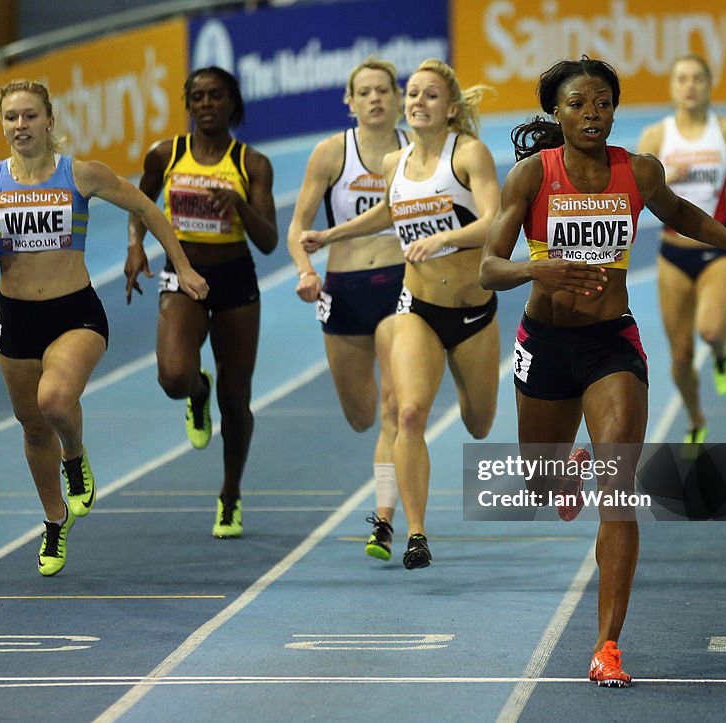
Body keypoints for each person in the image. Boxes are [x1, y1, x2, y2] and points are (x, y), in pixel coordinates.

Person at [480, 56, 726, 687]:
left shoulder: (637, 171)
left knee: (618, 489)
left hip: (612, 344)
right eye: (579, 104)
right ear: (556, 113)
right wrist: (539, 270)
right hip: (545, 343)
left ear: (614, 109)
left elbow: (684, 216)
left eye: (603, 103)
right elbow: (488, 269)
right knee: (539, 485)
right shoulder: (531, 176)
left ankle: (607, 646)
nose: (592, 114)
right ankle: (564, 471)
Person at [0, 80, 207, 577]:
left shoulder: (79, 175)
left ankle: (75, 456)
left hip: (75, 313)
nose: (22, 125)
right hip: (15, 319)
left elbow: (147, 207)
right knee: (33, 427)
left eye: (30, 116)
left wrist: (182, 266)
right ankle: (55, 520)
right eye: (12, 117)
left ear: (49, 121)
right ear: (3, 125)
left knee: (55, 401)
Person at [302, 58, 501, 570]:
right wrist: (331, 235)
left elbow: (496, 223)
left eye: (429, 95)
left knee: (479, 424)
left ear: (451, 107)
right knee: (407, 413)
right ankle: (415, 533)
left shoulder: (469, 155)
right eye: (412, 94)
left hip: (472, 312)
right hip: (417, 307)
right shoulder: (395, 164)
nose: (417, 102)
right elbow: (388, 212)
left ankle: (461, 377)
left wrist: (444, 238)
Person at [125, 66, 277, 539]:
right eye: (198, 96)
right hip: (183, 273)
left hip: (235, 280)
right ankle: (196, 392)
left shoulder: (251, 164)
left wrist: (239, 204)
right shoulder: (166, 154)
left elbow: (269, 240)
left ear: (233, 103)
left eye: (216, 96)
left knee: (237, 402)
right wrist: (135, 245)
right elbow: (138, 202)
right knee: (173, 377)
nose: (207, 103)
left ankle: (230, 495)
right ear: (188, 105)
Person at [287, 58, 409, 561]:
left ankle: (383, 520)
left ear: (398, 97)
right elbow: (299, 227)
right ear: (350, 101)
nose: (376, 98)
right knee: (361, 416)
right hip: (343, 289)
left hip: (403, 285)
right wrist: (304, 271)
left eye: (384, 90)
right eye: (366, 92)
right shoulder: (331, 152)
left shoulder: (415, 151)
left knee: (394, 409)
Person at [636, 54, 726, 443]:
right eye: (681, 79)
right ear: (672, 87)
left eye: (697, 78)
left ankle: (721, 352)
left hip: (715, 252)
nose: (689, 86)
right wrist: (663, 179)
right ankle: (696, 421)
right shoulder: (655, 137)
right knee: (678, 359)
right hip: (672, 253)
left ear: (710, 84)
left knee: (710, 331)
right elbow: (630, 191)